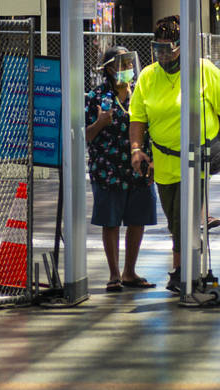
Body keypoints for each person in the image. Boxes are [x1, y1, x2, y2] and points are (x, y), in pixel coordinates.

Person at [129, 16, 220, 293]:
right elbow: (137, 118)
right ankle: (188, 258)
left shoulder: (204, 70)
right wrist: (136, 149)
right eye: (158, 48)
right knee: (174, 219)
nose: (163, 54)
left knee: (183, 219)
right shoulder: (148, 76)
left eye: (169, 48)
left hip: (197, 158)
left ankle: (181, 272)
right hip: (164, 162)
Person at [85, 46, 156, 292]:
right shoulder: (96, 97)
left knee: (138, 220)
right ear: (109, 69)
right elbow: (85, 136)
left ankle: (129, 272)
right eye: (121, 64)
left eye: (128, 63)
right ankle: (114, 274)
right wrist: (100, 122)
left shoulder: (141, 93)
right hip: (107, 170)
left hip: (137, 168)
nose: (127, 69)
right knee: (111, 221)